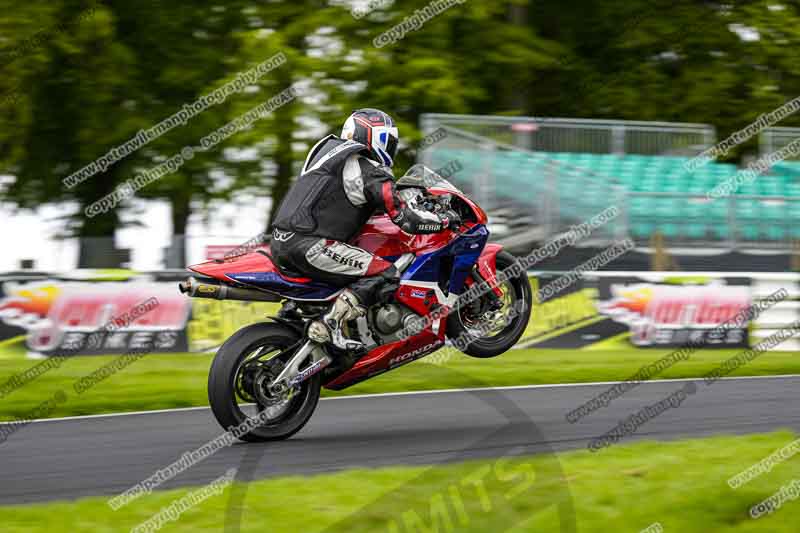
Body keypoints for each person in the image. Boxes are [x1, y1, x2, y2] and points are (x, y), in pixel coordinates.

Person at [270, 108, 452, 352]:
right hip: (312, 246)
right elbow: (405, 219)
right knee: (385, 273)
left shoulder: (326, 156)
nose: (391, 149)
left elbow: (343, 203)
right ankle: (331, 323)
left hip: (280, 242)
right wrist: (443, 221)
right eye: (389, 142)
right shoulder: (369, 171)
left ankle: (293, 316)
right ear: (373, 138)